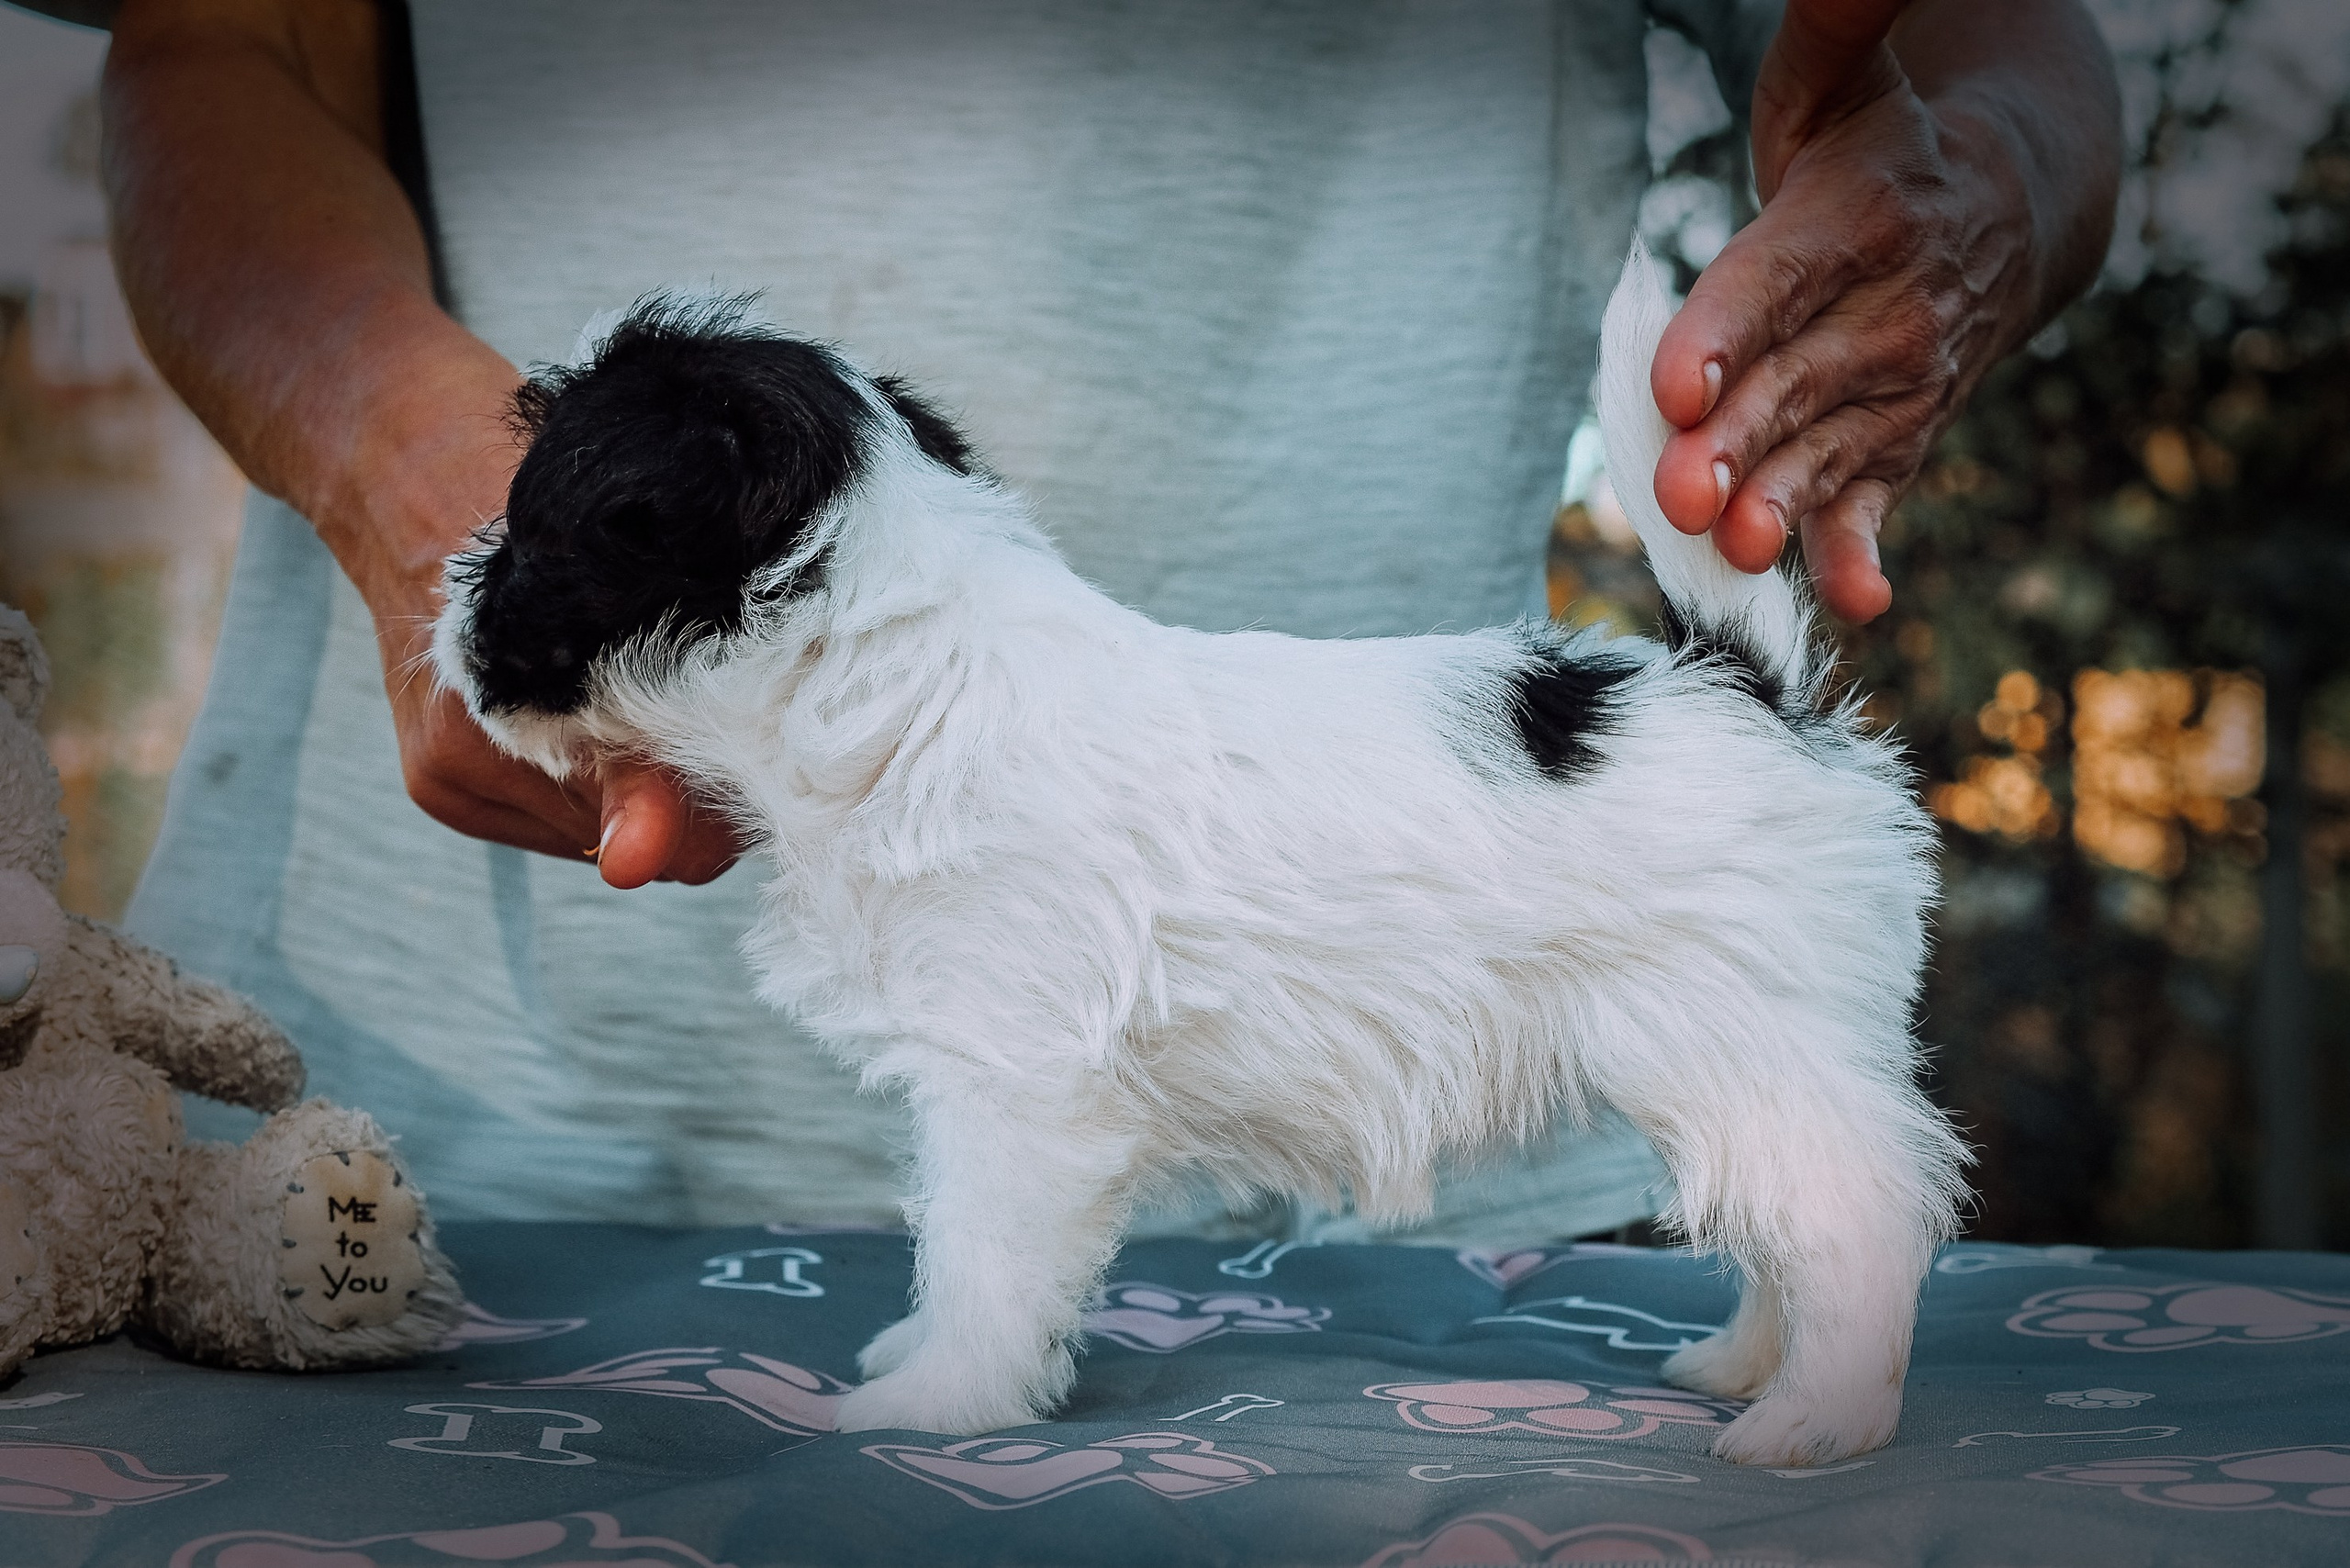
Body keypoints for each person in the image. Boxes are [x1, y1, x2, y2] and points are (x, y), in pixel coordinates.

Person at [94, 0, 2118, 1232]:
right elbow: (223, 39)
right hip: (402, 1111)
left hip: (1437, 1052)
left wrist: (1991, 167)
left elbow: (1984, 36)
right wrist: (396, 452)